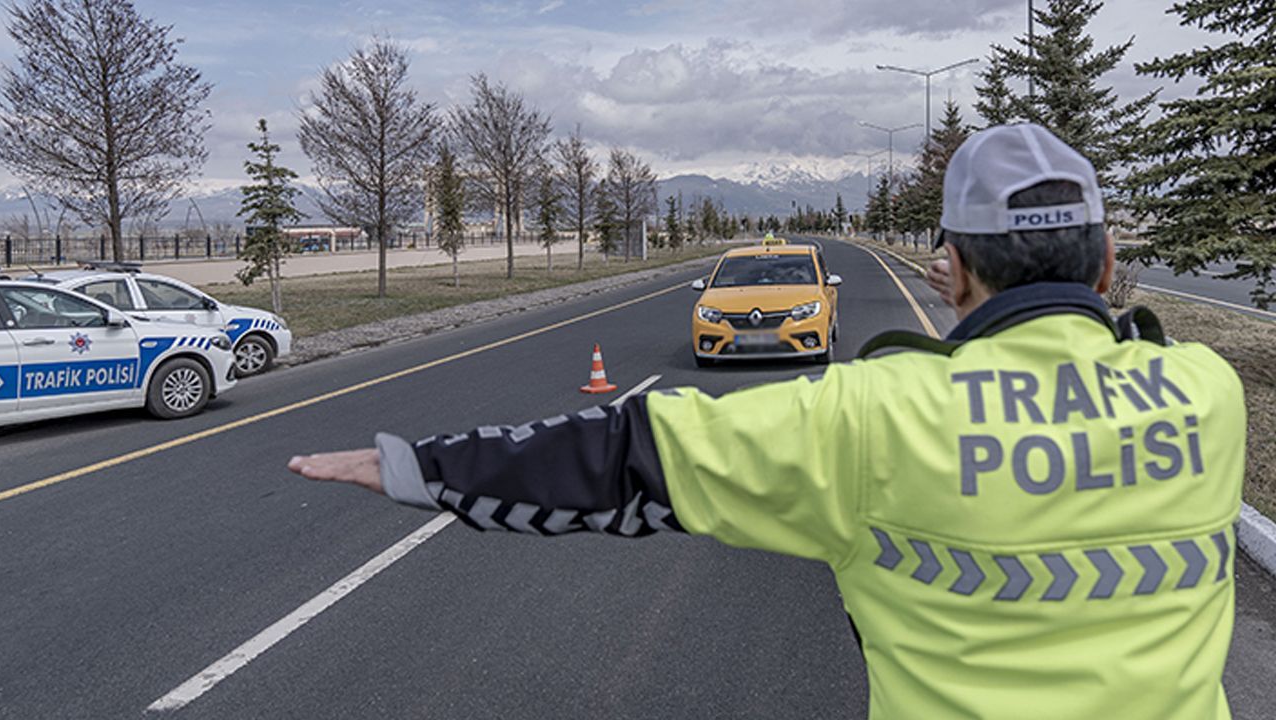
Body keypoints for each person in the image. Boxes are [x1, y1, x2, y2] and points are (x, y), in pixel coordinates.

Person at [289, 124, 1244, 720]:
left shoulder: (876, 416)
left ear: (947, 269)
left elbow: (628, 455)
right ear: (1111, 257)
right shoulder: (1209, 393)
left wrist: (417, 465)